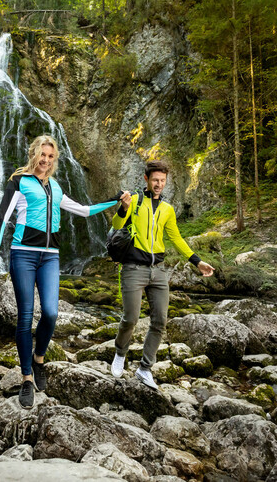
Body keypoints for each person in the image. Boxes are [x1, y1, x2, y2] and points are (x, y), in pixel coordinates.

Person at [0, 135, 124, 408]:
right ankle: (26, 378)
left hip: (50, 257)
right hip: (23, 253)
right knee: (25, 316)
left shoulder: (56, 188)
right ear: (34, 154)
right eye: (42, 155)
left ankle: (39, 359)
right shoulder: (19, 182)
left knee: (50, 312)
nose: (46, 161)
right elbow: (2, 216)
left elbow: (83, 211)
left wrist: (115, 199)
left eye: (51, 157)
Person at [110, 160, 214, 389]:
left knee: (159, 321)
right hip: (133, 269)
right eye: (155, 180)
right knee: (131, 318)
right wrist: (124, 208)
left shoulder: (167, 210)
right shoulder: (135, 200)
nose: (159, 184)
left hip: (158, 271)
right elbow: (117, 224)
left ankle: (145, 369)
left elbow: (176, 238)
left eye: (162, 181)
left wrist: (197, 262)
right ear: (146, 179)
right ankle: (120, 353)